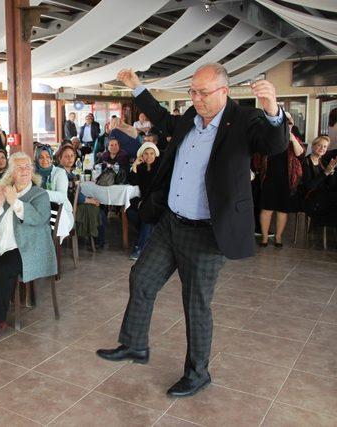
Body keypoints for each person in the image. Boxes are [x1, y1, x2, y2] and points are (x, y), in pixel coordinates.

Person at [97, 64, 288, 398]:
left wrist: (273, 110)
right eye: (193, 92)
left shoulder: (244, 120)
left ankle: (198, 373)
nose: (196, 99)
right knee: (141, 278)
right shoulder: (190, 116)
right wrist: (137, 85)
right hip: (172, 223)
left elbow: (274, 143)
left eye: (203, 93)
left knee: (196, 303)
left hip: (207, 232)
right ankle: (134, 344)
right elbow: (162, 118)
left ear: (224, 92)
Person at [0, 152, 56, 342]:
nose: (25, 170)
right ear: (11, 172)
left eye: (28, 166)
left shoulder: (39, 194)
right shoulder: (6, 189)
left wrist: (15, 202)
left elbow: (39, 219)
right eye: (20, 167)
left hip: (24, 248)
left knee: (3, 269)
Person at [255, 112, 305, 247]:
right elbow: (258, 156)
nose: (287, 125)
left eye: (289, 123)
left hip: (287, 179)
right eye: (284, 123)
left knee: (282, 210)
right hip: (269, 178)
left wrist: (292, 138)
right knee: (267, 209)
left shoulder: (293, 136)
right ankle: (264, 238)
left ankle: (278, 237)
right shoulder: (267, 136)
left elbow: (300, 153)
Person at [57, 144, 101, 240]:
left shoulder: (69, 172)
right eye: (66, 156)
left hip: (71, 205)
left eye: (72, 155)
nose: (70, 158)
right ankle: (98, 241)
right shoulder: (61, 173)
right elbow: (73, 195)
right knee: (99, 212)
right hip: (66, 209)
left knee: (97, 207)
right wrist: (91, 201)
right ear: (60, 158)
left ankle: (94, 239)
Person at [127, 142, 161, 261]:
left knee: (147, 217)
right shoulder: (141, 168)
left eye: (151, 153)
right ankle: (148, 238)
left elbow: (159, 190)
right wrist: (135, 165)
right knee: (130, 212)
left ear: (155, 154)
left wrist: (145, 201)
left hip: (157, 202)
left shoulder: (160, 167)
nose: (149, 156)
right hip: (144, 201)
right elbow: (133, 182)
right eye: (146, 154)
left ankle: (140, 247)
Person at [35, 144, 74, 235]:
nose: (45, 160)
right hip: (39, 213)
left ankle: (50, 247)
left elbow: (61, 196)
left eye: (48, 156)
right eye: (41, 157)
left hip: (59, 215)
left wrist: (40, 193)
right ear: (36, 159)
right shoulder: (32, 174)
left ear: (51, 158)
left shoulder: (59, 173)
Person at [300, 136, 337, 223]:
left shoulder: (323, 162)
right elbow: (308, 186)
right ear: (313, 146)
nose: (322, 148)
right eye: (319, 145)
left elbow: (331, 185)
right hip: (310, 198)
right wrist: (325, 173)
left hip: (322, 195)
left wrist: (331, 173)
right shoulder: (305, 162)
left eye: (325, 147)